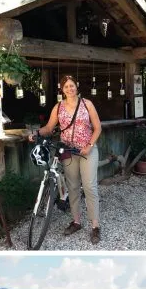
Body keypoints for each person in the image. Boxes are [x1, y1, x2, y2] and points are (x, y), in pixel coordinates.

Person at [29, 75, 102, 244]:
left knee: (90, 187)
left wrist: (89, 145)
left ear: (76, 86)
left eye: (72, 85)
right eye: (66, 86)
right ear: (63, 90)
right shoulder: (58, 107)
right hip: (68, 151)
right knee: (73, 187)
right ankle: (76, 222)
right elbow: (49, 127)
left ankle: (95, 226)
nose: (70, 88)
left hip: (87, 150)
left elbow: (98, 128)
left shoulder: (87, 104)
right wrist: (36, 134)